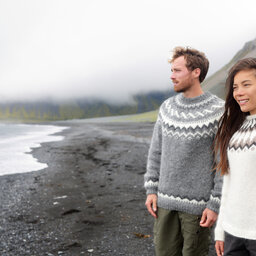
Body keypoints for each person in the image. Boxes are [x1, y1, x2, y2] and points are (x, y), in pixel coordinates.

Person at [144, 46, 224, 256]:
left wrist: (215, 203)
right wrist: (151, 189)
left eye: (177, 70)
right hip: (165, 203)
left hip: (198, 208)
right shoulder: (167, 108)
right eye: (171, 71)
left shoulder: (219, 111)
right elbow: (156, 152)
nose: (172, 76)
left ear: (196, 72)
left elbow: (223, 162)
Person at [214, 58, 256, 256]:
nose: (238, 92)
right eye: (235, 87)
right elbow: (229, 183)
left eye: (246, 85)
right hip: (233, 231)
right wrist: (220, 230)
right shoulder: (235, 130)